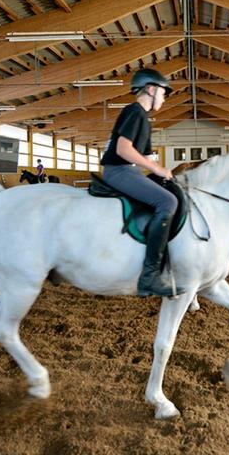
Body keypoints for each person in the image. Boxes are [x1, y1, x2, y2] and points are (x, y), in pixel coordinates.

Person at [101, 68, 181, 298]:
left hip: (131, 170)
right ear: (151, 89)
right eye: (164, 93)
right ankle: (149, 277)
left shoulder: (144, 119)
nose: (165, 99)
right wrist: (156, 169)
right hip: (119, 171)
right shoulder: (135, 112)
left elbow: (147, 157)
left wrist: (166, 174)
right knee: (167, 202)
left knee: (169, 190)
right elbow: (123, 149)